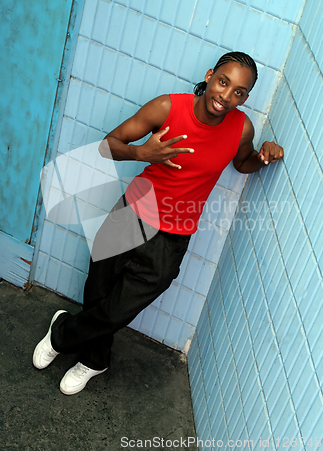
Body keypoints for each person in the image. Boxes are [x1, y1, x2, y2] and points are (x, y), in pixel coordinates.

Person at [33, 51, 284, 395]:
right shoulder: (168, 108)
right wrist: (142, 153)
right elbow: (109, 145)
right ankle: (94, 360)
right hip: (131, 213)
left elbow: (243, 164)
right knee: (98, 292)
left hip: (174, 235)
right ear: (210, 75)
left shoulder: (241, 128)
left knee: (118, 309)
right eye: (223, 82)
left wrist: (264, 155)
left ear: (245, 97)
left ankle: (61, 333)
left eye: (239, 92)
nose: (226, 96)